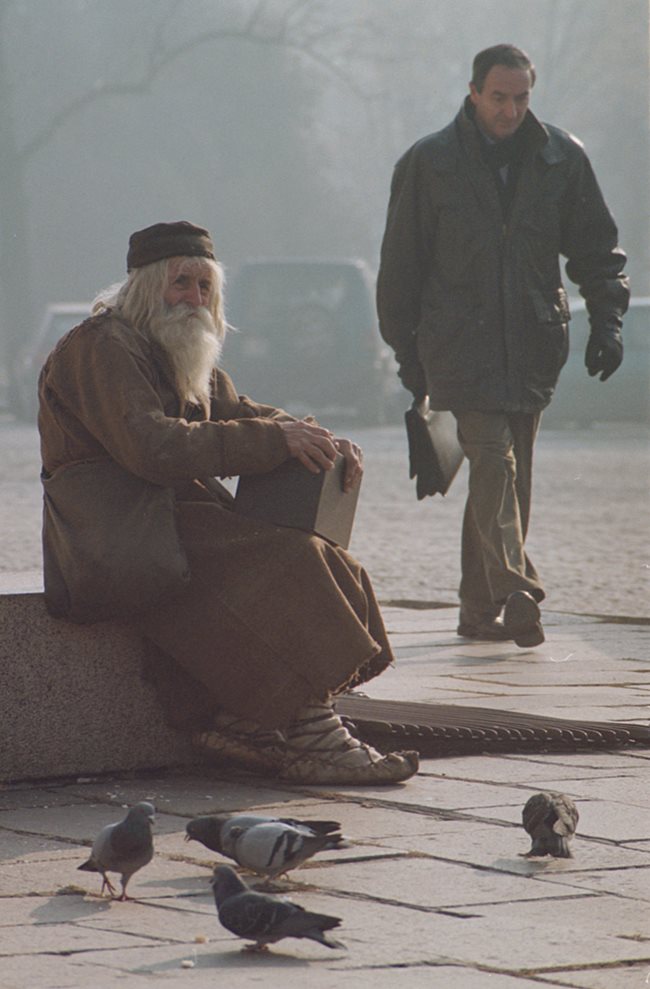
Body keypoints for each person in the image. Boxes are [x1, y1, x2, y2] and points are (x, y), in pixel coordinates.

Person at [37, 220, 418, 786]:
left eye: (205, 287)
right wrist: (275, 440)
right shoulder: (103, 345)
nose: (194, 299)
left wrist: (315, 437)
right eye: (180, 284)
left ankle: (247, 720)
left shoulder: (172, 348)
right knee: (290, 563)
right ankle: (313, 737)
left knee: (325, 556)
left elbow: (238, 411)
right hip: (118, 531)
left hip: (169, 518)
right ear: (145, 288)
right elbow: (151, 446)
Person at [376, 43, 629, 647]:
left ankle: (476, 610)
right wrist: (406, 354)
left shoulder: (561, 158)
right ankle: (518, 588)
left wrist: (608, 322)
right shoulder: (429, 163)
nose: (511, 111)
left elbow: (597, 249)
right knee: (493, 458)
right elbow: (401, 265)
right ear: (473, 92)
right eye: (499, 97)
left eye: (521, 98)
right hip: (457, 344)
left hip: (534, 344)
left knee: (510, 477)